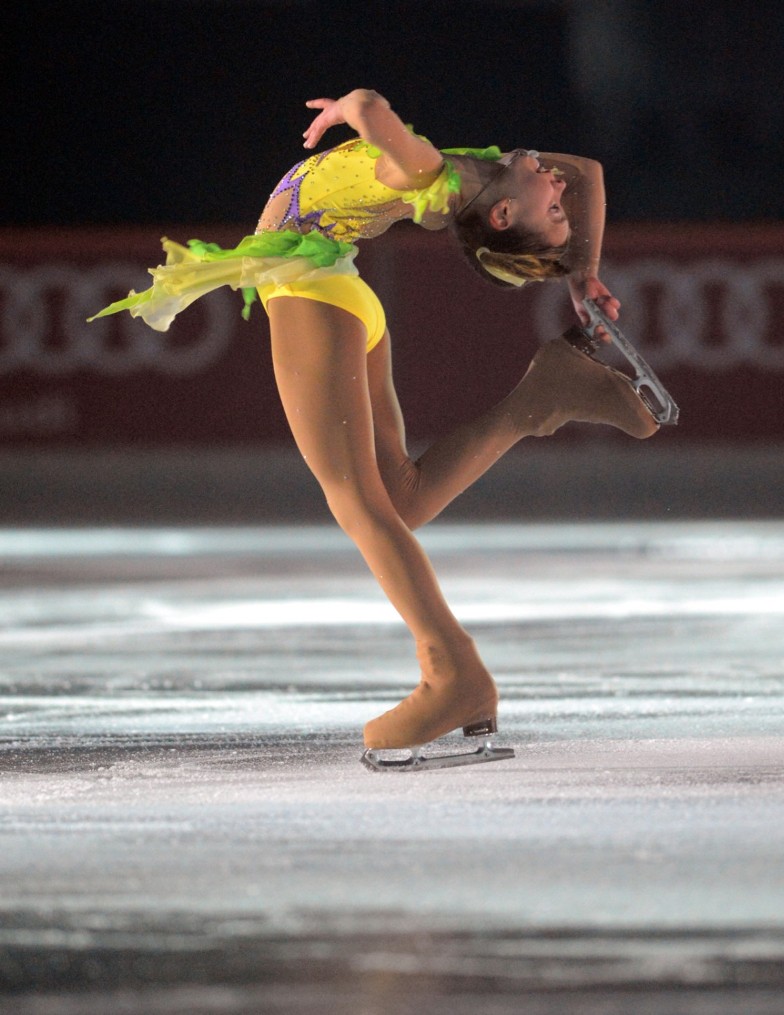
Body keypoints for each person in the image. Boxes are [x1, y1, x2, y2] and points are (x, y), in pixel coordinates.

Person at [90, 88, 658, 763]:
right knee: (401, 499)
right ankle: (538, 399)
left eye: (553, 206)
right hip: (340, 288)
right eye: (556, 201)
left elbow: (382, 120)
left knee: (357, 502)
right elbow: (590, 170)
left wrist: (353, 109)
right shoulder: (491, 170)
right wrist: (581, 272)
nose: (558, 183)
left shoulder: (432, 176)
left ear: (503, 214)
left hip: (308, 289)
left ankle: (454, 673)